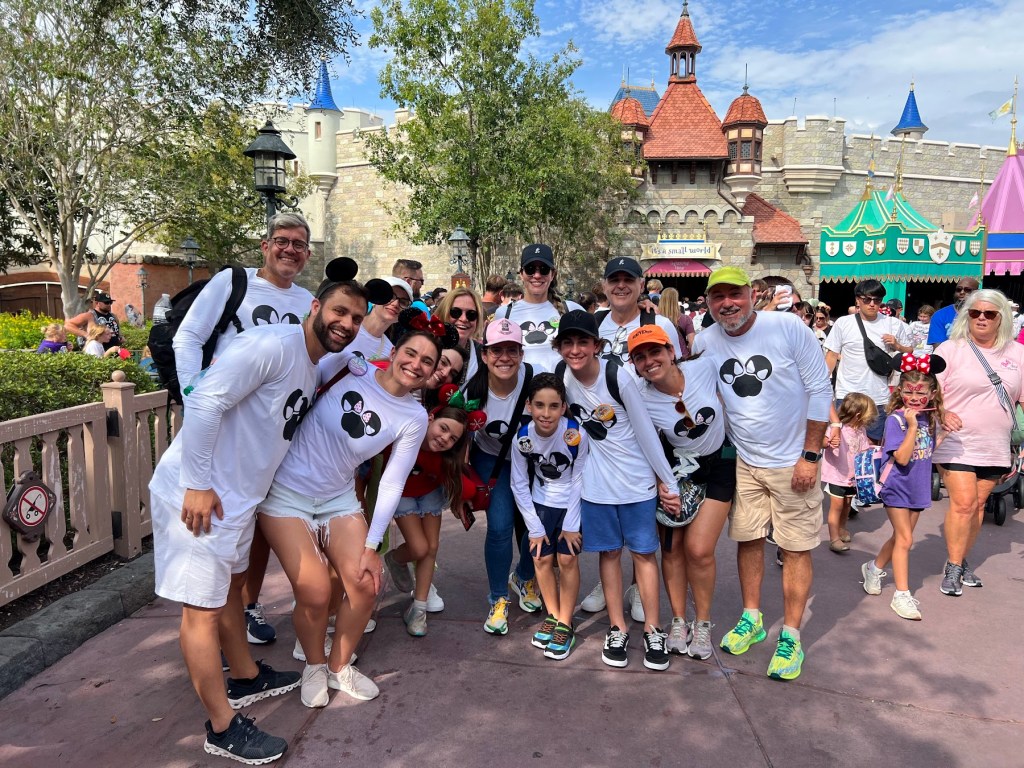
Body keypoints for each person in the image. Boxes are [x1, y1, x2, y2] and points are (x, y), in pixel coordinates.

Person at [147, 277, 370, 763]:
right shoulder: (272, 344)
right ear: (315, 307)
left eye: (356, 318)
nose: (347, 324)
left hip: (237, 497)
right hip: (201, 495)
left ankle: (246, 676)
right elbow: (205, 399)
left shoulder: (309, 363)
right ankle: (222, 727)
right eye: (339, 311)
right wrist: (198, 483)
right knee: (201, 612)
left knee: (229, 590)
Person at [260, 325, 444, 708]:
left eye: (427, 361)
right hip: (286, 492)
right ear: (394, 352)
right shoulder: (348, 365)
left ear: (432, 372)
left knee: (365, 583)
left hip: (338, 497)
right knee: (315, 590)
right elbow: (297, 384)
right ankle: (313, 666)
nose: (416, 364)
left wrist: (372, 546)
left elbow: (392, 481)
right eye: (411, 353)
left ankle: (338, 667)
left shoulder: (414, 416)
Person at [173, 212, 318, 648]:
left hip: (271, 437)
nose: (289, 249)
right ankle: (208, 629)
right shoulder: (232, 283)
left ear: (307, 254)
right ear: (265, 245)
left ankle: (245, 607)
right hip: (224, 428)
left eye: (298, 244)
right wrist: (195, 396)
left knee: (254, 527)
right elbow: (188, 338)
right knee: (213, 532)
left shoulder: (307, 301)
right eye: (282, 240)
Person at [693, 266, 832, 681]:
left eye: (734, 294)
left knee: (795, 547)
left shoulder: (787, 327)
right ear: (708, 302)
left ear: (752, 294)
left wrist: (810, 456)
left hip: (793, 460)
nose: (727, 304)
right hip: (745, 460)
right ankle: (752, 617)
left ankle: (791, 634)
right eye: (717, 297)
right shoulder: (705, 341)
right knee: (748, 539)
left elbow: (820, 389)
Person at [553, 310, 680, 671]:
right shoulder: (563, 376)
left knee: (644, 555)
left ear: (596, 345)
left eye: (582, 342)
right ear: (559, 347)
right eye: (567, 342)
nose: (575, 350)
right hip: (596, 486)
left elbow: (645, 432)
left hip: (636, 484)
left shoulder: (617, 376)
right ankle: (617, 628)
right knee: (608, 555)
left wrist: (667, 481)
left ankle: (653, 629)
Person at [627, 324, 734, 660]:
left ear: (671, 351)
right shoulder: (639, 397)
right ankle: (678, 621)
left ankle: (702, 622)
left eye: (655, 352)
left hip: (719, 465)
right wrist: (662, 482)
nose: (649, 361)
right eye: (640, 357)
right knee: (671, 550)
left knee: (699, 550)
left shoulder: (704, 367)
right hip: (675, 472)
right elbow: (643, 444)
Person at [932, 289, 1024, 595]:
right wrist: (943, 413)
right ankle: (954, 566)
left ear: (1001, 318)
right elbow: (930, 391)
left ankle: (960, 558)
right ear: (966, 316)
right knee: (963, 504)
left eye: (989, 314)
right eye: (975, 313)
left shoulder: (1018, 354)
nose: (981, 318)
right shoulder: (950, 349)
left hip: (995, 444)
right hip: (955, 440)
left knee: (979, 506)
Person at [463, 318, 540, 634]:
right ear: (484, 354)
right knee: (499, 527)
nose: (504, 358)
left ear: (521, 353)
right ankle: (498, 598)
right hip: (493, 460)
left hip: (533, 462)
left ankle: (524, 576)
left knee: (542, 523)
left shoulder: (535, 380)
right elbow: (459, 435)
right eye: (496, 350)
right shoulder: (474, 389)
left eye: (512, 350)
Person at [510, 373, 590, 660]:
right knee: (541, 560)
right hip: (540, 503)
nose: (546, 413)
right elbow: (519, 483)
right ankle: (554, 616)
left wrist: (571, 524)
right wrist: (533, 526)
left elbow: (579, 478)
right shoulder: (522, 438)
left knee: (567, 560)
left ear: (563, 407)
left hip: (571, 503)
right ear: (529, 405)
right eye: (540, 405)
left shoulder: (575, 435)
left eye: (554, 406)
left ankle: (566, 623)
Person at [862, 354, 946, 620]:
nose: (914, 397)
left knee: (900, 537)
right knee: (906, 540)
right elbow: (901, 457)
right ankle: (902, 595)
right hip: (897, 485)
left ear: (932, 394)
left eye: (920, 392)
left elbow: (927, 451)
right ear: (899, 391)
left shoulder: (928, 419)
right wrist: (911, 426)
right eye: (909, 391)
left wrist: (945, 432)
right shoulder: (896, 420)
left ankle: (873, 568)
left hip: (918, 486)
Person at [384, 404, 472, 636]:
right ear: (430, 418)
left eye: (452, 438)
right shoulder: (405, 434)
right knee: (419, 547)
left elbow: (455, 479)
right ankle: (395, 558)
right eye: (443, 428)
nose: (445, 439)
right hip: (402, 493)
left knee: (431, 547)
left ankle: (418, 610)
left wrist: (461, 500)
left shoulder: (447, 457)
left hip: (431, 492)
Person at [824, 279, 912, 443]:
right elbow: (832, 355)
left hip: (878, 397)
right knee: (844, 445)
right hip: (848, 396)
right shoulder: (844, 323)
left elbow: (909, 352)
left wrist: (897, 345)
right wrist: (820, 384)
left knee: (873, 446)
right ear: (858, 300)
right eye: (867, 299)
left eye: (877, 300)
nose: (872, 304)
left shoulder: (893, 324)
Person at [498, 243, 583, 371]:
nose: (537, 275)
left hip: (560, 383)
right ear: (521, 274)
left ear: (552, 274)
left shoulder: (572, 310)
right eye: (530, 269)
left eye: (544, 269)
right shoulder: (504, 314)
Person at [597, 257, 681, 367]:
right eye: (614, 280)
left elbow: (676, 370)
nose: (621, 285)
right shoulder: (593, 324)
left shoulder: (661, 324)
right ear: (604, 287)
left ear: (641, 286)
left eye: (628, 280)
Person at [822, 394, 877, 552]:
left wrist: (872, 450)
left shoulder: (861, 430)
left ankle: (841, 528)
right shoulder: (837, 428)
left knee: (847, 504)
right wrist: (828, 442)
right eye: (867, 418)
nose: (868, 422)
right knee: (837, 506)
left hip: (852, 476)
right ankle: (834, 538)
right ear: (858, 415)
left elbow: (864, 449)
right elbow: (822, 441)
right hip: (837, 475)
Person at [348, 277, 413, 362]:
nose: (395, 304)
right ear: (376, 297)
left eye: (403, 302)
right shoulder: (347, 325)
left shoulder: (389, 353)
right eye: (390, 297)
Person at [435, 286, 485, 385]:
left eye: (471, 314)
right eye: (456, 312)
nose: (464, 319)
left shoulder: (483, 356)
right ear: (444, 313)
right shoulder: (426, 345)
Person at [928, 277, 978, 346]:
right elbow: (938, 347)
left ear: (977, 293)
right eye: (958, 290)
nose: (962, 292)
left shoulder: (984, 315)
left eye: (967, 290)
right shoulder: (940, 315)